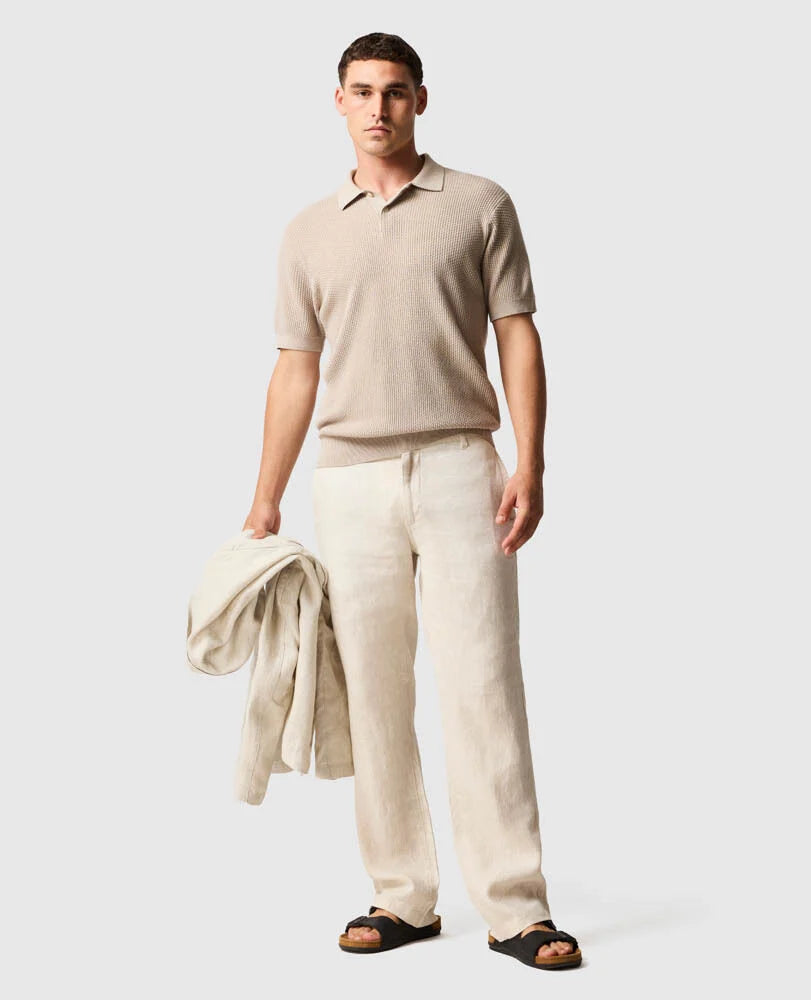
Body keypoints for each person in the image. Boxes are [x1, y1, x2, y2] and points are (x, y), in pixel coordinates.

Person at [243, 31, 582, 973]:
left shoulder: (478, 204)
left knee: (483, 684)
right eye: (361, 91)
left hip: (460, 465)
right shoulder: (307, 231)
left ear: (420, 100)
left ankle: (516, 906)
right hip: (348, 479)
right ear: (338, 102)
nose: (378, 108)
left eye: (394, 91)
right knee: (375, 693)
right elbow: (295, 368)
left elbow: (516, 334)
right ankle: (401, 896)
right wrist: (264, 500)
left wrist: (529, 462)